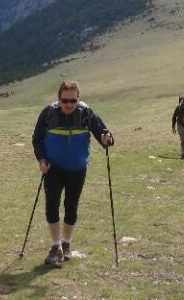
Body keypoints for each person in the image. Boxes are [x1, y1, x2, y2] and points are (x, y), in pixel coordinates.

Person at [32, 80, 114, 267]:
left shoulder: (86, 112)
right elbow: (37, 139)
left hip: (77, 169)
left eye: (73, 101)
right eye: (65, 100)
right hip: (53, 168)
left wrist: (107, 139)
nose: (69, 105)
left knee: (71, 206)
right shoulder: (48, 113)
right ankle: (56, 247)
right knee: (52, 205)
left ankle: (66, 244)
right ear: (58, 98)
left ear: (78, 98)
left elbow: (103, 133)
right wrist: (41, 160)